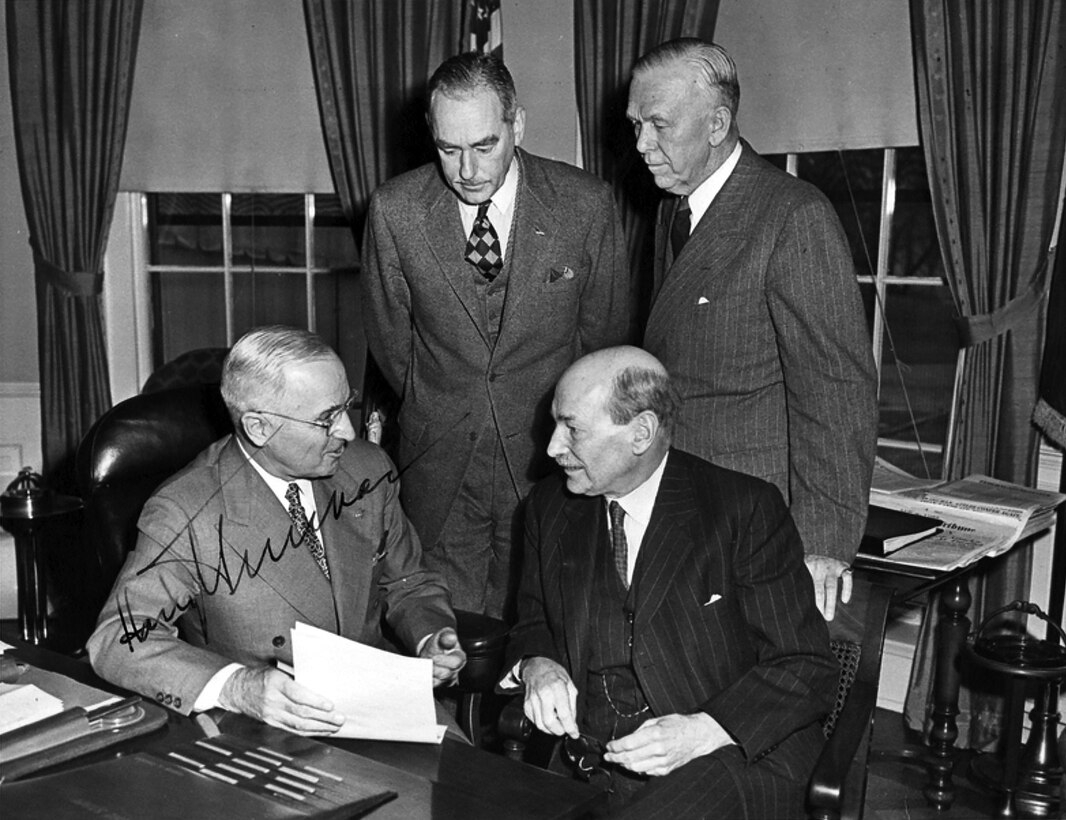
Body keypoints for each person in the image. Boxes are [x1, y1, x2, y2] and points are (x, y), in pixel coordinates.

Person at [505, 346, 837, 818]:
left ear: (641, 432)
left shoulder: (742, 510)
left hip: (726, 758)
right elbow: (532, 619)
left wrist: (704, 729)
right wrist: (538, 664)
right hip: (588, 762)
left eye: (572, 429)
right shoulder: (551, 506)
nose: (553, 447)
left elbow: (806, 665)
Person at [88, 326, 465, 736]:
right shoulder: (186, 510)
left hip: (385, 708)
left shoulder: (366, 470)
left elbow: (408, 581)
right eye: (326, 419)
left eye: (345, 407)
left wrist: (428, 635)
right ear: (259, 428)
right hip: (266, 725)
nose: (347, 432)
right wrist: (236, 687)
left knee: (478, 792)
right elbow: (118, 638)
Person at [362, 52, 630, 621]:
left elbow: (603, 340)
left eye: (484, 145)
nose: (468, 170)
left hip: (549, 463)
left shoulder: (585, 205)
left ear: (518, 125)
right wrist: (444, 403)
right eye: (449, 149)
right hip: (440, 470)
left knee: (543, 634)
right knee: (442, 640)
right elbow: (393, 345)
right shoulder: (395, 211)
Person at [628, 38, 878, 620]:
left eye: (659, 125)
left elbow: (836, 393)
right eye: (636, 124)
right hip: (680, 509)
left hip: (749, 528)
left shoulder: (793, 216)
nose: (641, 145)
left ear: (717, 124)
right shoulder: (673, 208)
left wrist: (822, 543)